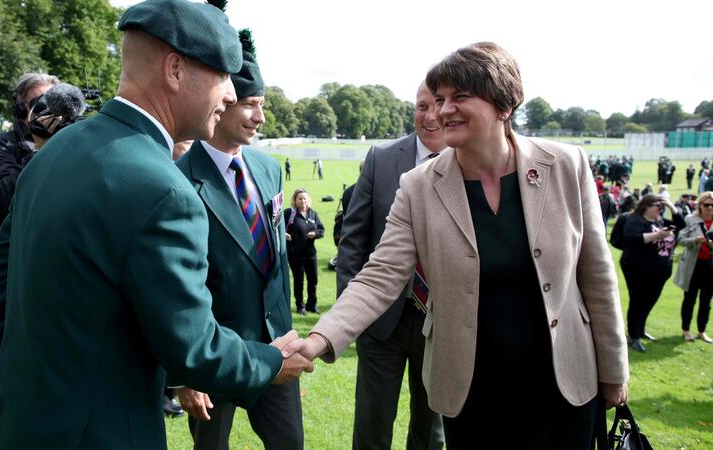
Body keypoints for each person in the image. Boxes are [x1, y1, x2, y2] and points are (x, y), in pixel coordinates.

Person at [0, 1, 312, 448]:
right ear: (175, 70)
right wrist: (269, 361)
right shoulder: (165, 190)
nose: (231, 94)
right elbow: (192, 347)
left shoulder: (56, 149)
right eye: (223, 76)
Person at [288, 42, 629, 449]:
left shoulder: (566, 165)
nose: (441, 111)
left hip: (562, 380)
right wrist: (321, 336)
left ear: (504, 105)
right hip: (472, 388)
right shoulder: (418, 187)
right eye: (438, 99)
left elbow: (597, 275)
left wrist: (614, 370)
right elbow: (380, 275)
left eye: (459, 97)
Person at [176, 31, 303, 449]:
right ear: (224, 103)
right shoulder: (177, 179)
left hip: (276, 351)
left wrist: (285, 335)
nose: (259, 117)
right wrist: (185, 376)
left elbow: (277, 261)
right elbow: (176, 288)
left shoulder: (268, 170)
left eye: (261, 105)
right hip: (215, 356)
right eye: (251, 105)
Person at [335, 81, 446, 449]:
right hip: (380, 322)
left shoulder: (467, 161)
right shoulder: (381, 159)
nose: (430, 116)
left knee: (431, 428)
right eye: (421, 106)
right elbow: (353, 239)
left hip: (442, 325)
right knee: (372, 422)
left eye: (438, 105)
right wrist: (350, 316)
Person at [0, 71, 59, 281]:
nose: (48, 110)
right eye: (40, 102)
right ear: (20, 109)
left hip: (54, 256)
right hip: (7, 259)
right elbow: (2, 197)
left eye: (54, 102)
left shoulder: (70, 142)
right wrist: (38, 147)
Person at [620, 194, 680, 353]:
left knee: (650, 301)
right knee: (638, 301)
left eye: (662, 207)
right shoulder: (636, 220)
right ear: (646, 206)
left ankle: (640, 329)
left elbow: (681, 224)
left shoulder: (659, 221)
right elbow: (630, 238)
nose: (660, 210)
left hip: (660, 271)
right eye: (658, 206)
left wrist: (671, 206)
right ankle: (634, 337)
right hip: (638, 269)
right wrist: (657, 235)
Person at [673, 191, 713, 343]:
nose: (710, 208)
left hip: (710, 266)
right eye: (707, 205)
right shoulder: (690, 219)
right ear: (700, 205)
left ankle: (702, 331)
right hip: (693, 265)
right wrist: (695, 240)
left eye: (712, 205)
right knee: (689, 299)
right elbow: (681, 239)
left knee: (706, 302)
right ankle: (686, 330)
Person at [285, 188, 324, 315]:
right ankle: (300, 306)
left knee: (313, 280)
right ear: (295, 200)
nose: (303, 201)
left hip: (311, 254)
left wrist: (316, 234)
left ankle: (311, 305)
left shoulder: (313, 214)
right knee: (299, 280)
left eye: (305, 198)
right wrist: (285, 235)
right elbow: (277, 227)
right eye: (300, 198)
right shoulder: (289, 213)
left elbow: (321, 230)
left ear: (309, 200)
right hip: (295, 255)